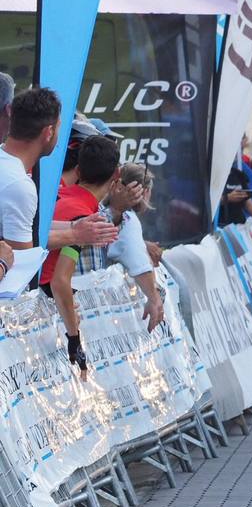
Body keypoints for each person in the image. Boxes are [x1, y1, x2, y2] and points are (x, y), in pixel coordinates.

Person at [39, 137, 123, 373]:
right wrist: (74, 338)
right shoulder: (84, 218)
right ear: (116, 174)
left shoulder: (59, 196)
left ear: (77, 170)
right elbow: (59, 281)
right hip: (47, 316)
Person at [0, 87, 117, 253]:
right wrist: (75, 235)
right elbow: (21, 255)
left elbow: (24, 226)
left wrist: (72, 226)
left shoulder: (9, 170)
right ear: (48, 132)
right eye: (59, 128)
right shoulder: (19, 185)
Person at [103, 163, 164, 332]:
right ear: (144, 192)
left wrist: (143, 243)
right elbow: (140, 266)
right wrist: (155, 299)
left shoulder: (110, 212)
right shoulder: (128, 220)